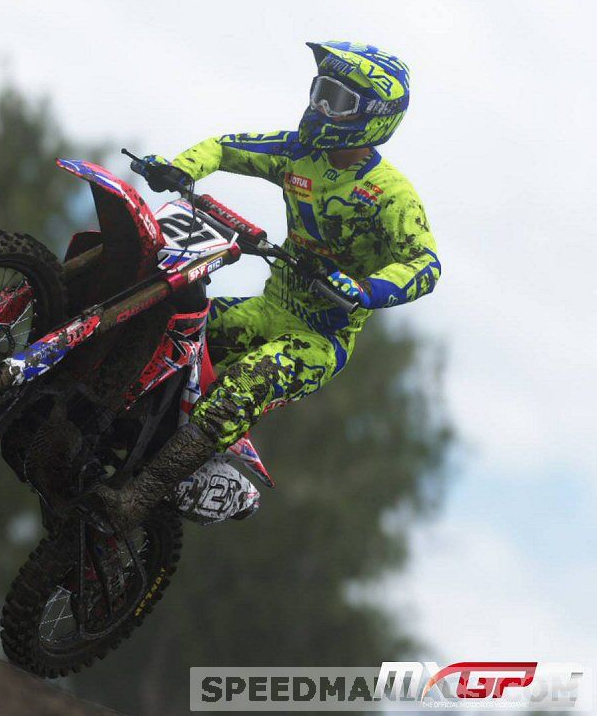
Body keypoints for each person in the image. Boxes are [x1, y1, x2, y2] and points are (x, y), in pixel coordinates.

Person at [96, 41, 441, 531]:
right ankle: (102, 424)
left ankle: (137, 499)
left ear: (374, 116)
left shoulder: (391, 195)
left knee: (241, 389)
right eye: (320, 93)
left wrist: (364, 290)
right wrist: (181, 167)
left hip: (318, 339)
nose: (321, 108)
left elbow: (425, 264)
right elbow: (224, 147)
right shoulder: (299, 153)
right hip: (267, 308)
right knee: (165, 321)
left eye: (338, 102)